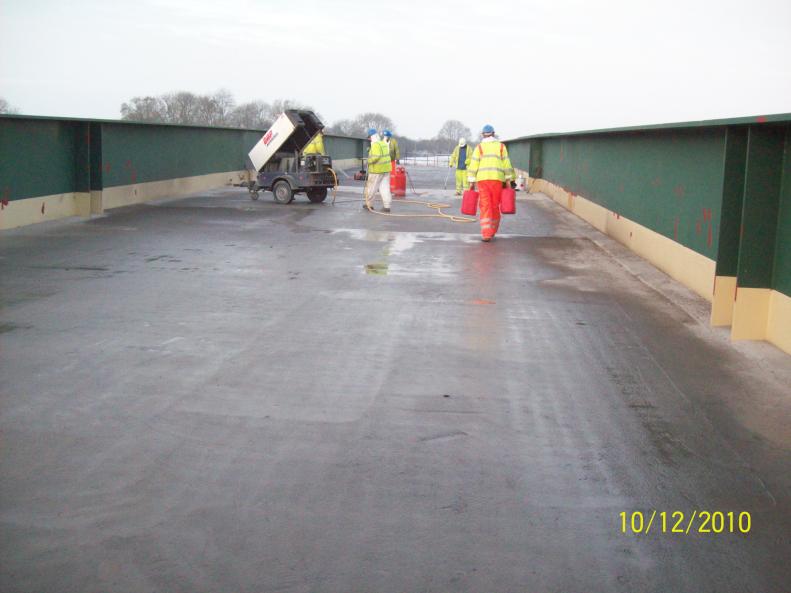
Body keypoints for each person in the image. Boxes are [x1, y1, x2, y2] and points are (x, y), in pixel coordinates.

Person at [467, 124, 514, 242]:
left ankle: (486, 234)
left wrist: (471, 181)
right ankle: (493, 230)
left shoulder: (479, 147)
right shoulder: (501, 147)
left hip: (483, 180)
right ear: (493, 134)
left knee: (485, 205)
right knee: (494, 205)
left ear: (483, 135)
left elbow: (473, 165)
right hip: (497, 180)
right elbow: (506, 164)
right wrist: (509, 180)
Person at [364, 128, 393, 213]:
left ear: (372, 136)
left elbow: (376, 157)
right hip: (386, 170)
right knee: (385, 188)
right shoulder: (383, 143)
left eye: (369, 137)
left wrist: (368, 161)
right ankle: (387, 206)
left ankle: (369, 205)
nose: (369, 139)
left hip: (377, 171)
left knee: (371, 188)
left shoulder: (375, 145)